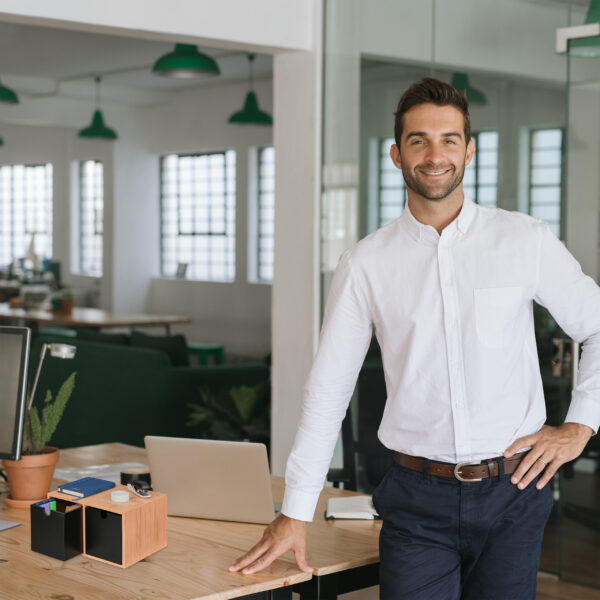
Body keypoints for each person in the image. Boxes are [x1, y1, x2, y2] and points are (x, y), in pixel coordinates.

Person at [229, 77, 599, 599]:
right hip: (416, 498)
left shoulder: (524, 241)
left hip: (515, 492)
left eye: (449, 139)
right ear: (396, 155)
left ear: (469, 151)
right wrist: (295, 511)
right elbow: (328, 389)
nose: (434, 154)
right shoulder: (366, 264)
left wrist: (581, 425)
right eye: (418, 140)